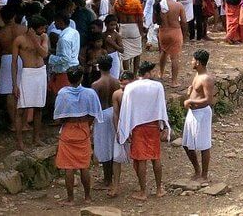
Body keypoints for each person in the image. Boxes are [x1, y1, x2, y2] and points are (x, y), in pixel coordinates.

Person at [117, 61, 170, 200]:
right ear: (147, 73)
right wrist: (163, 125)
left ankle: (143, 192)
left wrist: (124, 129)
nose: (153, 74)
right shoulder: (157, 86)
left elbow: (125, 110)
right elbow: (161, 107)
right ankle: (159, 189)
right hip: (153, 126)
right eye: (152, 72)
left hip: (137, 127)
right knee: (155, 157)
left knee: (141, 160)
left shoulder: (130, 88)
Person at [53, 67, 102, 205]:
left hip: (68, 130)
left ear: (68, 78)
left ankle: (70, 199)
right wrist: (87, 125)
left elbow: (57, 118)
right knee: (84, 166)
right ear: (81, 78)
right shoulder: (89, 93)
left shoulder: (63, 93)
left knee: (68, 167)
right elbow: (94, 114)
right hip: (83, 130)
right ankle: (87, 197)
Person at [13, 15, 49, 150]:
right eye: (42, 27)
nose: (44, 30)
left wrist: (35, 40)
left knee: (39, 107)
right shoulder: (19, 40)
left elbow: (44, 54)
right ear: (33, 28)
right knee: (21, 109)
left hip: (40, 72)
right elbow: (14, 63)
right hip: (27, 74)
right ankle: (20, 142)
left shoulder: (44, 37)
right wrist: (14, 84)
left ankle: (36, 138)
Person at [91, 56, 124, 195]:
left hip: (102, 115)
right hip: (114, 112)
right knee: (112, 145)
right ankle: (110, 178)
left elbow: (95, 104)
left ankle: (107, 179)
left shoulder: (96, 84)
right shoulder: (116, 82)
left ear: (99, 67)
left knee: (104, 146)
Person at [182, 50, 215, 183]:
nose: (191, 62)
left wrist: (191, 101)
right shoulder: (197, 75)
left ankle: (204, 175)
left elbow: (208, 100)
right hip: (193, 112)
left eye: (193, 60)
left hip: (202, 113)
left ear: (198, 62)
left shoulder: (206, 78)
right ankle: (197, 170)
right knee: (186, 144)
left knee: (204, 144)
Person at [0, 6, 25, 139]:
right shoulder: (23, 29)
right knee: (23, 91)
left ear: (2, 17)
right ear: (14, 16)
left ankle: (13, 123)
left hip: (7, 60)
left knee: (10, 94)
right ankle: (24, 123)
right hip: (22, 59)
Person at [156, 0, 186, 83]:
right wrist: (184, 34)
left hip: (163, 31)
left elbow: (155, 20)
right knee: (174, 57)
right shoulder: (178, 5)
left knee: (164, 51)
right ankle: (174, 81)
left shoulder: (159, 5)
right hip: (175, 31)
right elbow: (184, 21)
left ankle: (161, 73)